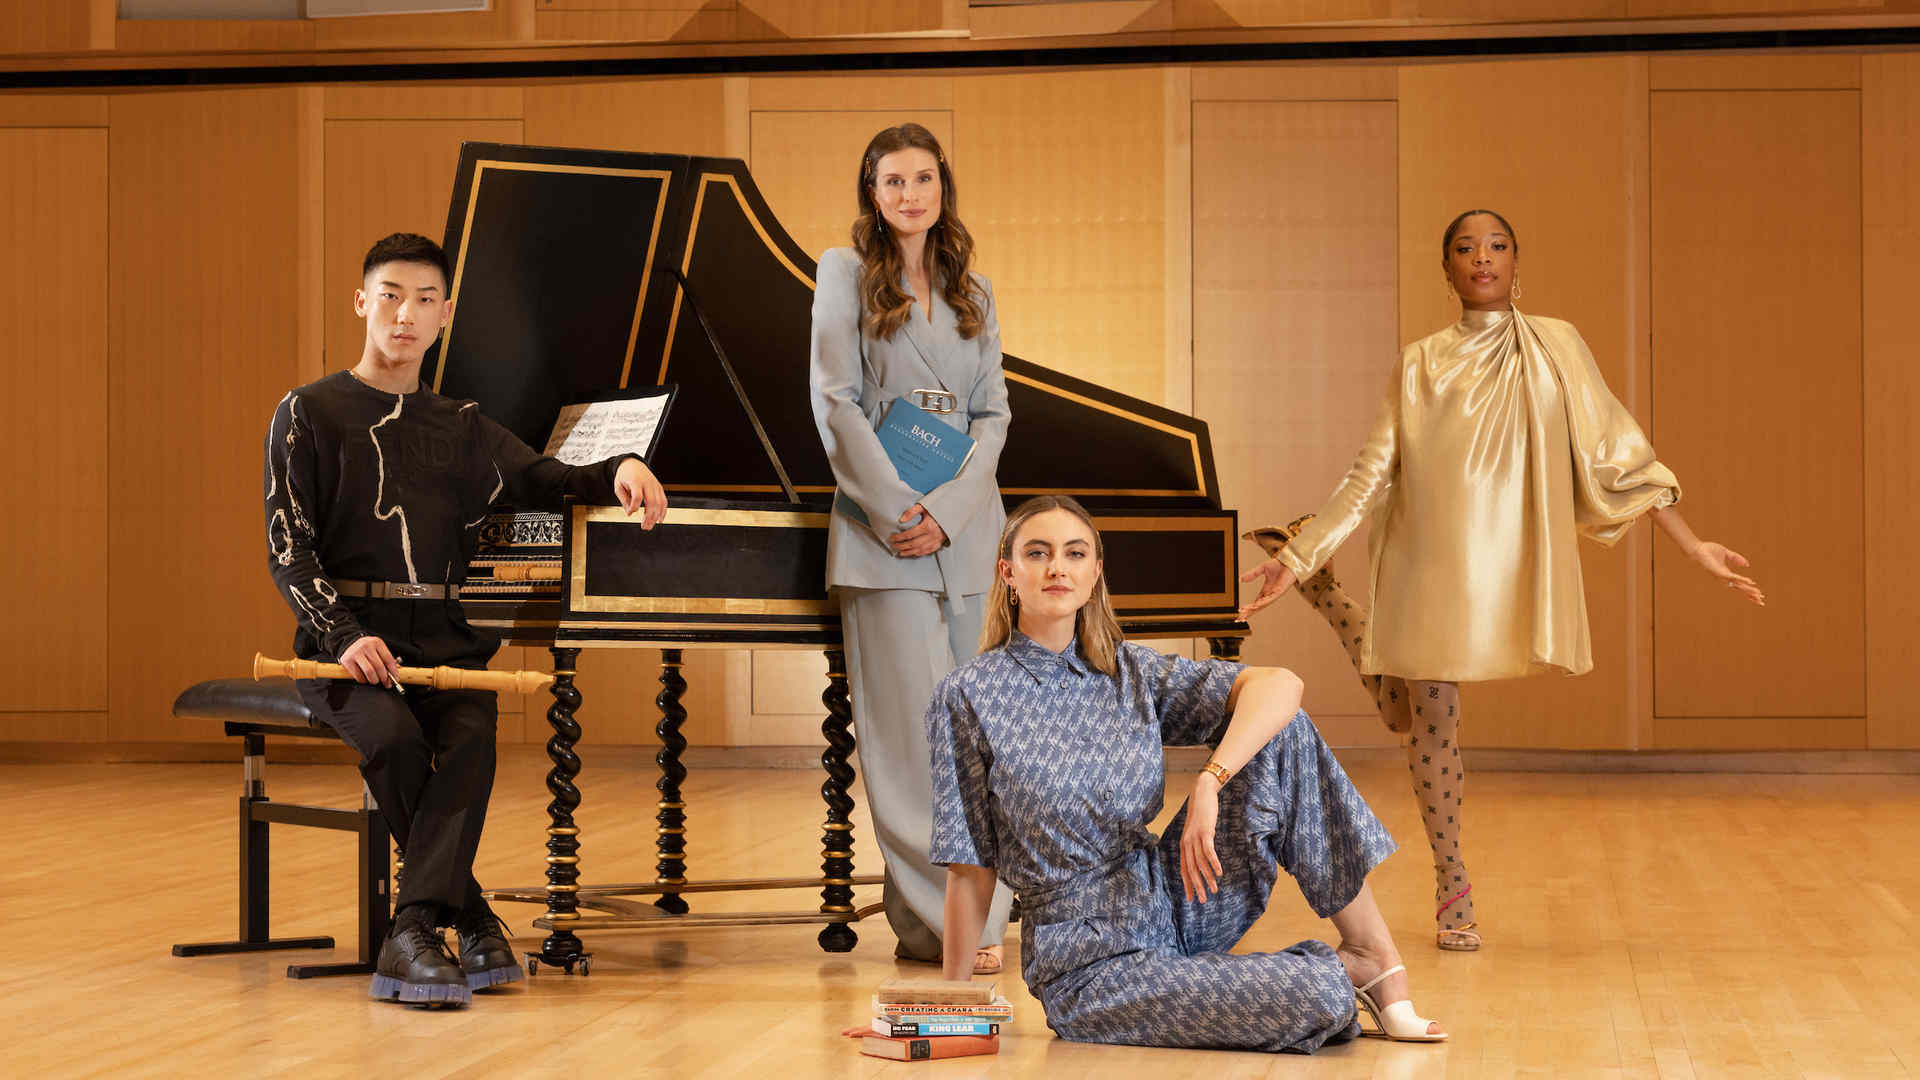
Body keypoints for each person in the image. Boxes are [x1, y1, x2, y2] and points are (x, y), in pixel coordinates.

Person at [1240, 210, 1765, 951]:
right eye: (1464, 247)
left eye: (1497, 245)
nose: (1482, 257)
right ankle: (1452, 883)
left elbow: (1620, 455)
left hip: (1509, 559)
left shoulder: (1557, 347)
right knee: (1428, 721)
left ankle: (1333, 600)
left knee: (1398, 709)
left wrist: (1692, 545)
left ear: (1519, 262)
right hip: (1429, 554)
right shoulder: (1420, 361)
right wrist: (1296, 556)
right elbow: (1371, 471)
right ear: (1445, 269)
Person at [264, 232, 667, 1007]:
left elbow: (547, 476)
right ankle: (466, 915)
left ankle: (414, 926)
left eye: (423, 300)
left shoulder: (465, 424)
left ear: (444, 315)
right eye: (389, 295)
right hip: (341, 647)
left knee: (472, 739)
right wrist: (348, 638)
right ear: (362, 302)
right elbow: (290, 551)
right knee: (394, 738)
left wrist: (618, 466)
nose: (404, 314)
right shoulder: (305, 412)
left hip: (443, 644)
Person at [930, 496, 1444, 1051]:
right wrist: (949, 1007)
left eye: (1074, 553)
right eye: (1038, 553)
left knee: (1281, 732)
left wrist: (1211, 780)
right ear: (1009, 572)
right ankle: (1320, 979)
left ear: (1094, 572)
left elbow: (1281, 687)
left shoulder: (1129, 671)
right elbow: (970, 865)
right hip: (1090, 962)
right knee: (1315, 997)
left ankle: (1373, 956)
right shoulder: (967, 695)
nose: (1057, 568)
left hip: (1178, 896)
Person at [808, 123, 1016, 973]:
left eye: (922, 178)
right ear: (871, 190)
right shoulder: (844, 275)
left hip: (967, 541)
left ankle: (964, 922)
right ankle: (947, 923)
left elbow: (994, 415)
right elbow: (835, 399)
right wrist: (899, 509)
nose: (908, 194)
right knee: (904, 742)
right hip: (880, 538)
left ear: (942, 188)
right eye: (892, 180)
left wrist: (950, 512)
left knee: (980, 739)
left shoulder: (979, 291)